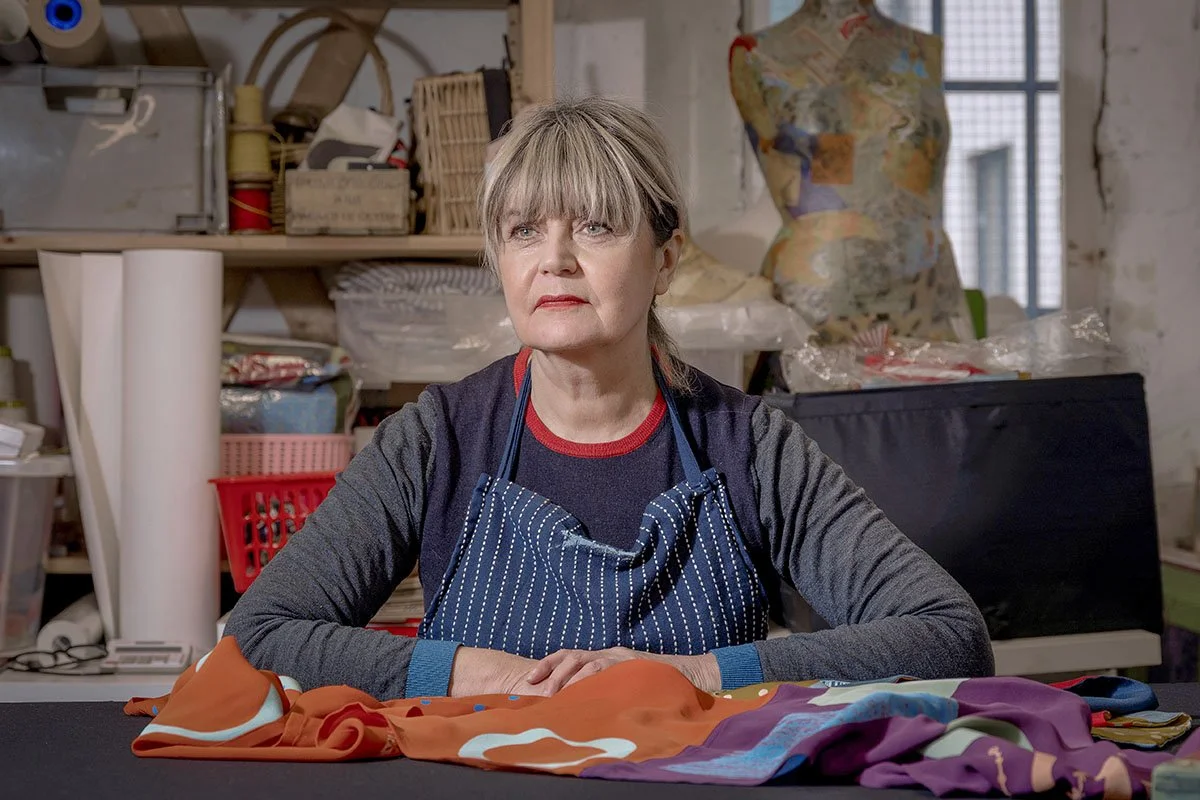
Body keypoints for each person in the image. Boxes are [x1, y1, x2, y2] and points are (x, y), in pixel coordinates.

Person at [225, 96, 994, 700]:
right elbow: (262, 632)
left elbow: (949, 635)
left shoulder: (750, 445)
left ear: (666, 258)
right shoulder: (438, 439)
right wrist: (476, 675)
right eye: (524, 230)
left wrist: (699, 676)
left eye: (594, 226)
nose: (554, 259)